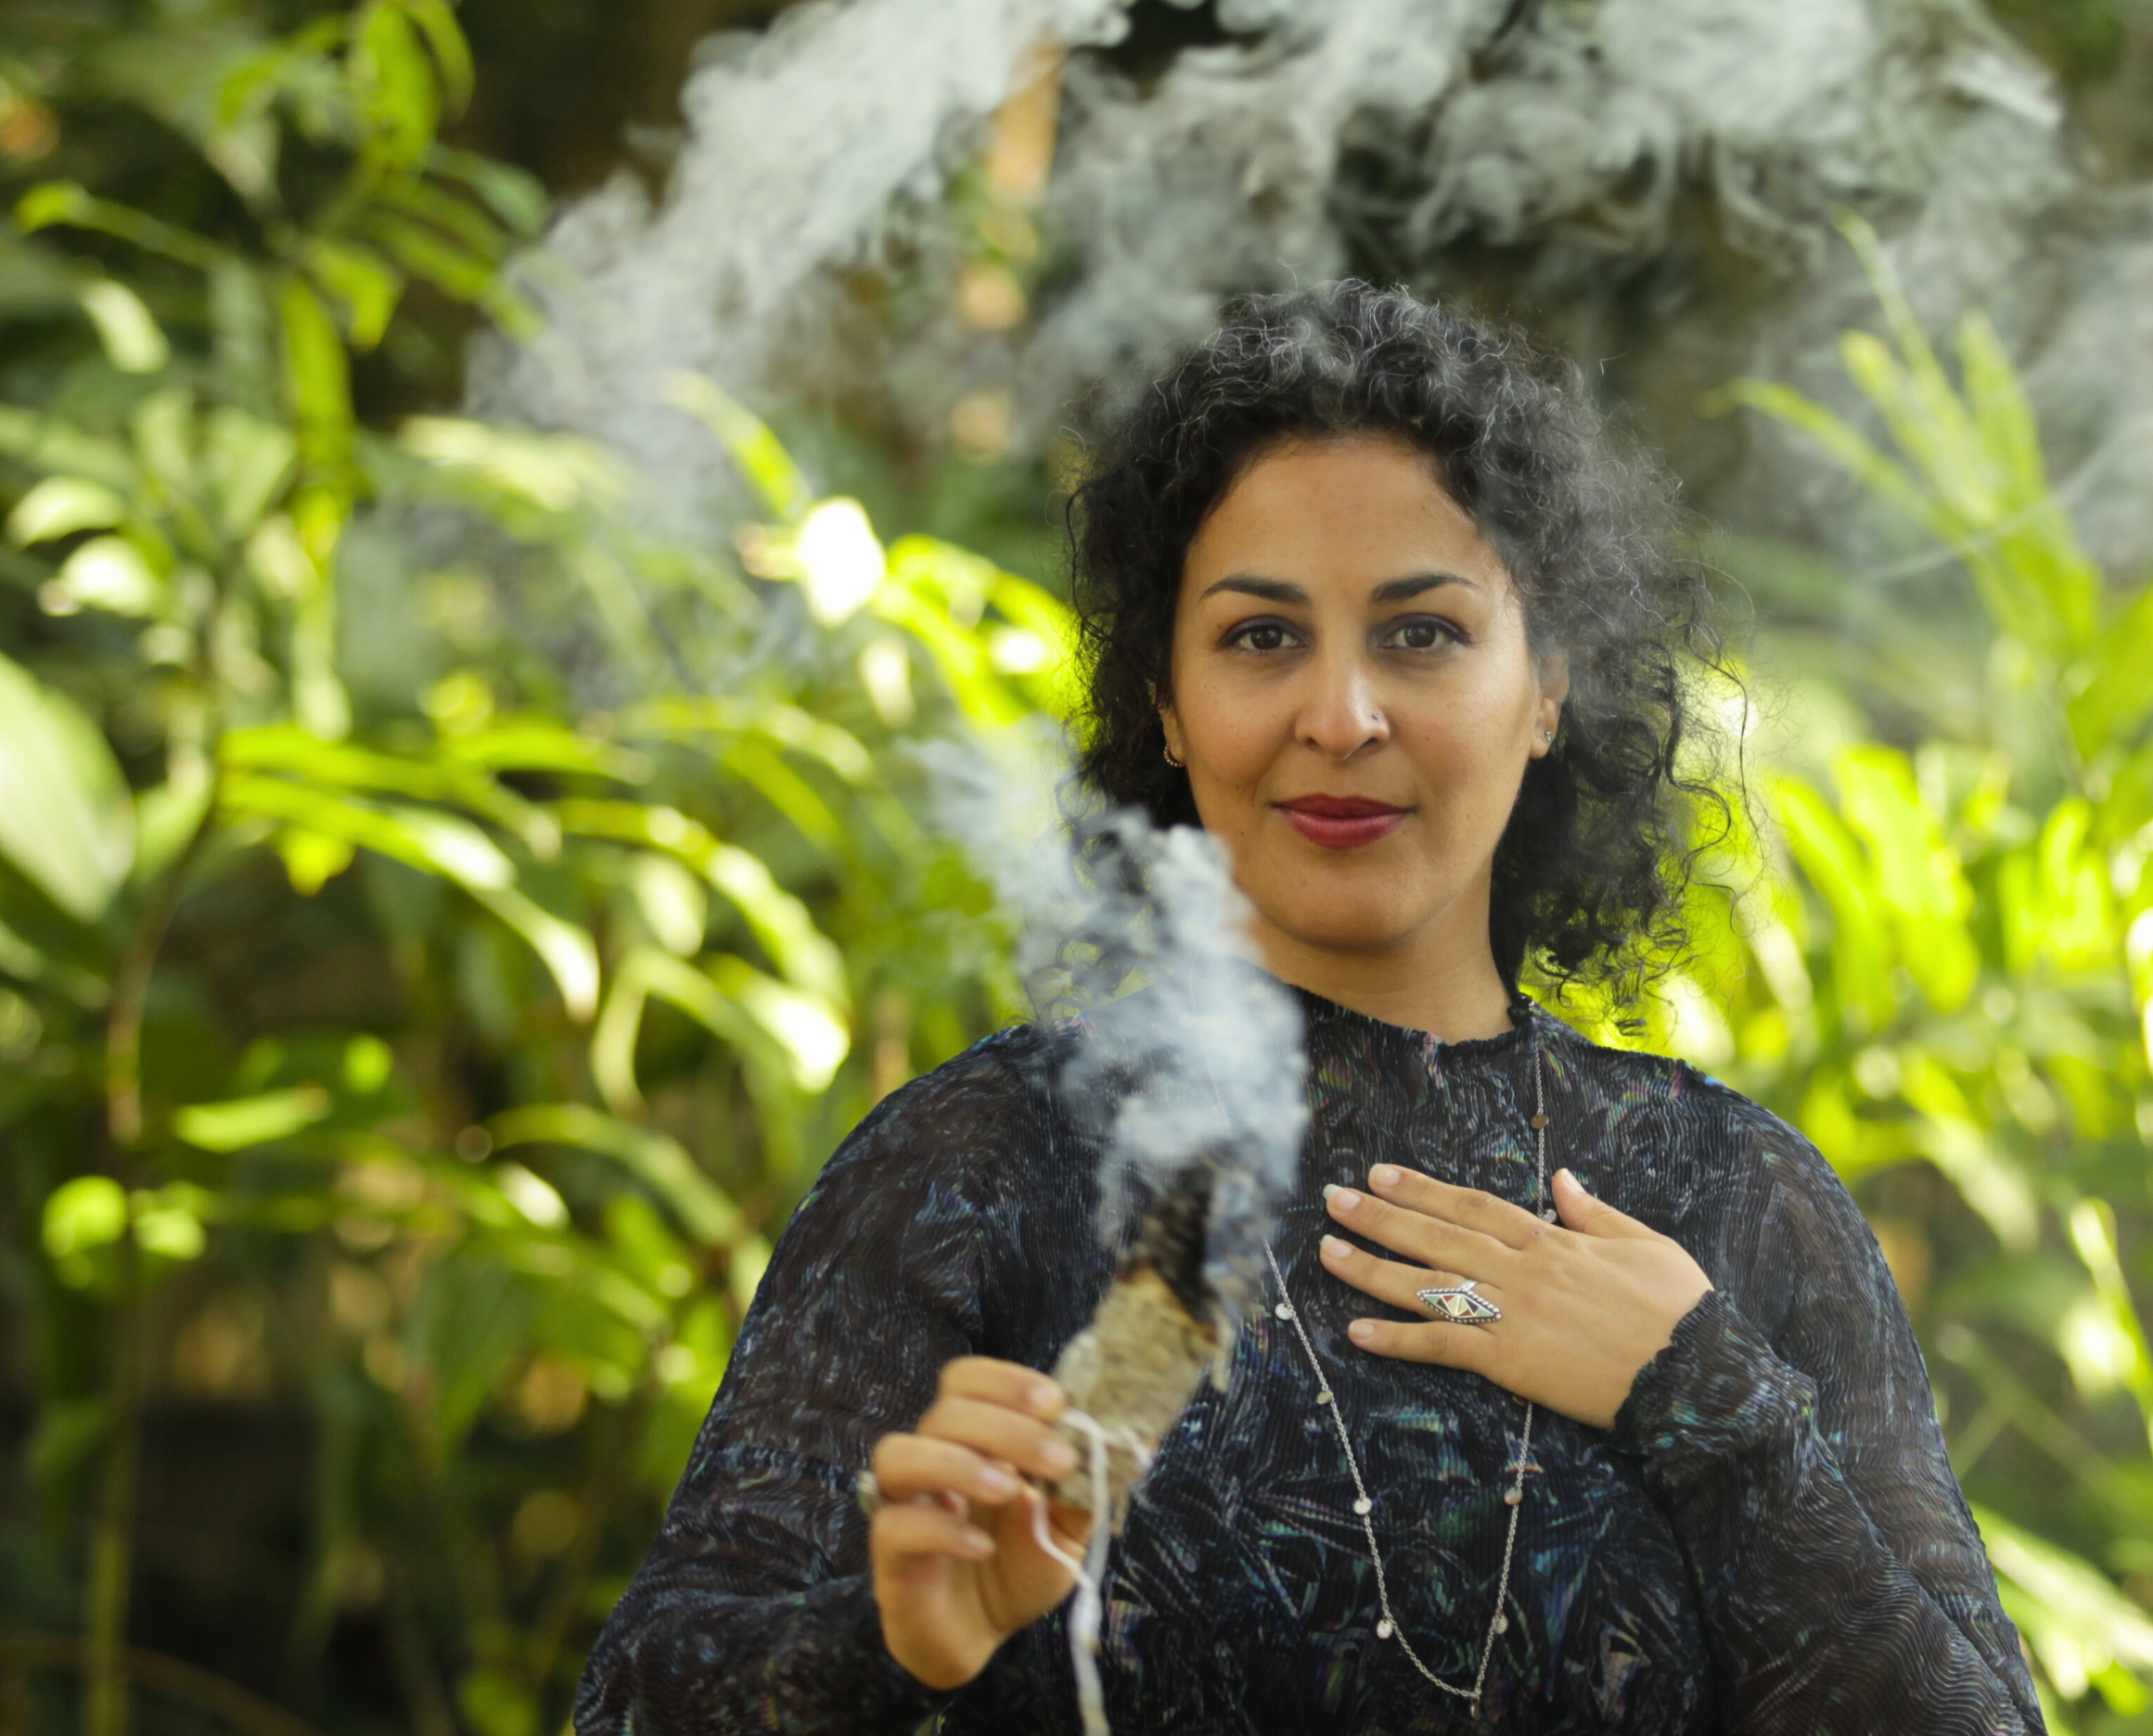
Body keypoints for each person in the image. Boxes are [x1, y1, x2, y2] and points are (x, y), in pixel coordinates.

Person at [573, 281, 2046, 1734]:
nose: (1340, 716)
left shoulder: (1729, 1201)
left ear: (1549, 687)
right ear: (1166, 701)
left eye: (1422, 634)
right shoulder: (985, 1166)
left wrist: (1701, 1396)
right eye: (1261, 638)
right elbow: (638, 1708)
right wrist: (895, 1649)